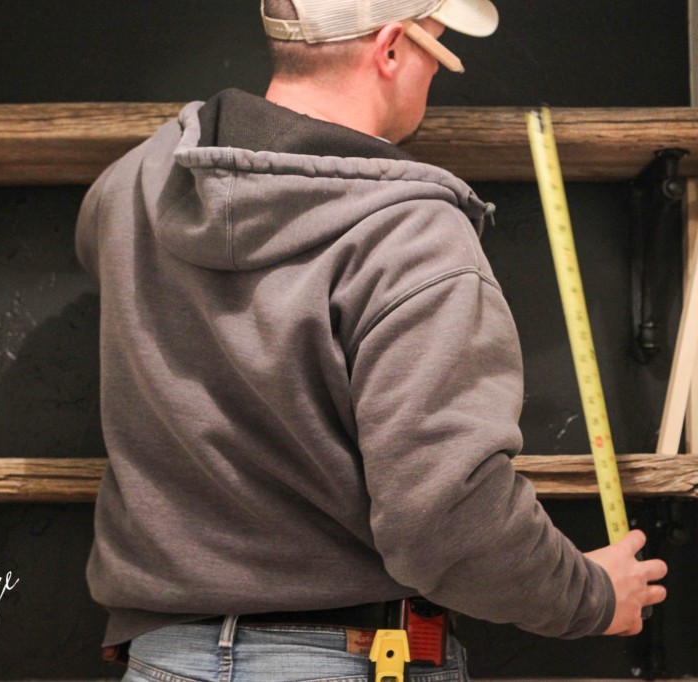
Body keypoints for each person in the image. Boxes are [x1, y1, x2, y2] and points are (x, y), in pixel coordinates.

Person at [74, 0, 668, 680]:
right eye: (439, 50)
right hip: (349, 659)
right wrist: (591, 597)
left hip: (162, 661)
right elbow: (447, 517)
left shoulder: (132, 191)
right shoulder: (412, 237)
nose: (434, 76)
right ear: (391, 49)